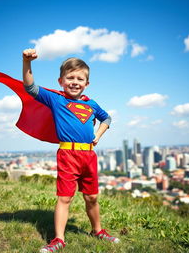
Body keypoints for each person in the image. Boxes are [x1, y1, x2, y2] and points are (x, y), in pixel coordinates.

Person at [22, 48, 120, 252]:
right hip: (68, 155)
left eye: (80, 78)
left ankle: (98, 231)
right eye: (70, 77)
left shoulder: (92, 103)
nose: (75, 82)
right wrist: (27, 62)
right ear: (61, 81)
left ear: (87, 83)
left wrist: (98, 135)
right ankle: (58, 239)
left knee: (92, 197)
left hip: (89, 156)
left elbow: (107, 118)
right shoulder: (56, 99)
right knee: (65, 197)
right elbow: (30, 88)